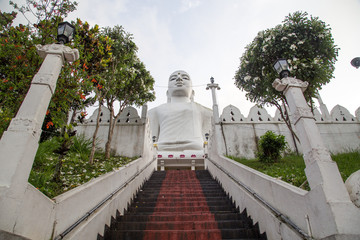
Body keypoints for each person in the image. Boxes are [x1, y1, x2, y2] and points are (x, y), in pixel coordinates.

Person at [148, 70, 212, 152]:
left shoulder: (204, 111)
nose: (179, 79)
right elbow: (152, 137)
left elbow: (208, 136)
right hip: (161, 148)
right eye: (173, 79)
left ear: (192, 93)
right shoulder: (155, 111)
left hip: (196, 148)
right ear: (167, 93)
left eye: (185, 77)